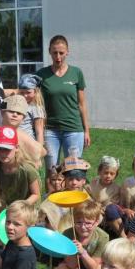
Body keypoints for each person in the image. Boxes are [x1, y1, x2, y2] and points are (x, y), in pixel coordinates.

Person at [36, 35, 91, 172]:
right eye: (55, 53)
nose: (58, 56)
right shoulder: (41, 75)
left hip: (73, 129)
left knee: (73, 171)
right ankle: (51, 194)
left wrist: (86, 131)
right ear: (49, 51)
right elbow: (35, 101)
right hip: (50, 130)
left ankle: (71, 194)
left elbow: (82, 104)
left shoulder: (76, 73)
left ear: (67, 52)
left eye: (61, 53)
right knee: (52, 171)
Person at [52, 199, 109, 269]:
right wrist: (74, 251)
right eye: (79, 222)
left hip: (93, 268)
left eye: (88, 223)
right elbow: (71, 265)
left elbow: (93, 267)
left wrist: (83, 252)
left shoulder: (103, 237)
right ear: (73, 221)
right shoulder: (68, 234)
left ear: (96, 222)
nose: (83, 227)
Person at [5, 73, 46, 146]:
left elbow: (39, 132)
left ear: (35, 92)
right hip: (12, 142)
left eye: (28, 92)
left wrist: (39, 149)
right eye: (22, 92)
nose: (25, 95)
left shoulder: (35, 108)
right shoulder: (14, 104)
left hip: (27, 144)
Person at [87, 156, 123, 237]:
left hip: (103, 213)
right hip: (91, 207)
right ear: (99, 172)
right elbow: (88, 193)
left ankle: (90, 233)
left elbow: (111, 204)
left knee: (97, 219)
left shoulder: (115, 189)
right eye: (106, 172)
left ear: (116, 175)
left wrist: (100, 209)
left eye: (112, 174)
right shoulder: (95, 182)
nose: (108, 176)